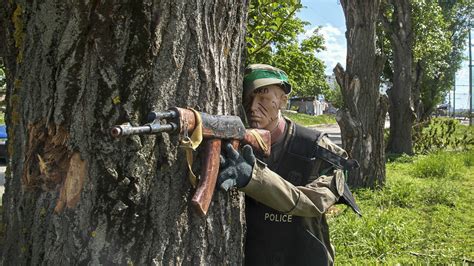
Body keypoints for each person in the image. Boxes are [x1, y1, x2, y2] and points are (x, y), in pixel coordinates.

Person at [217, 64, 360, 266]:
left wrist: (254, 178)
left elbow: (314, 203)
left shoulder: (316, 148)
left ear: (283, 100)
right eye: (248, 99)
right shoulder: (235, 146)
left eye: (263, 98)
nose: (252, 107)